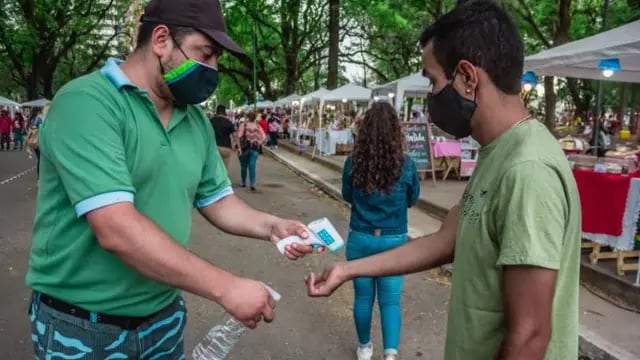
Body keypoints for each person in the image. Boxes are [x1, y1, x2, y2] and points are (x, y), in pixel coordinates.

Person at [26, 0, 320, 357]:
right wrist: (226, 287)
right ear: (161, 40)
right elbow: (116, 228)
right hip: (83, 325)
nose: (213, 69)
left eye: (216, 60)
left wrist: (273, 226)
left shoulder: (194, 121)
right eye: (205, 53)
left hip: (163, 318)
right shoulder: (88, 103)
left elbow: (218, 199)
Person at [306, 2, 581, 360]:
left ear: (467, 78)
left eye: (434, 81)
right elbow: (446, 240)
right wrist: (347, 269)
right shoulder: (498, 152)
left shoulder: (527, 170)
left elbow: (530, 336)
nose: (432, 95)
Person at [342, 102, 420, 360]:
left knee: (363, 298)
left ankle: (365, 348)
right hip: (394, 240)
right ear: (396, 132)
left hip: (361, 237)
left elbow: (347, 195)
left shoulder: (353, 163)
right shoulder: (406, 165)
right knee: (390, 301)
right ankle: (390, 354)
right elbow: (412, 199)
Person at [237, 112, 266, 191]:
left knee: (243, 166)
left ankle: (243, 182)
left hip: (244, 148)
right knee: (252, 166)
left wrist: (239, 147)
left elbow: (239, 136)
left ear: (247, 117)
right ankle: (252, 183)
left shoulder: (244, 125)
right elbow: (263, 136)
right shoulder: (257, 126)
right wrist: (259, 142)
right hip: (255, 148)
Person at [210, 104, 236, 170]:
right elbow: (235, 135)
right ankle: (223, 179)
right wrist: (237, 146)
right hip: (226, 148)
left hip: (214, 147)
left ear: (217, 112)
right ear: (224, 112)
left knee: (214, 168)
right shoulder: (229, 122)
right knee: (224, 169)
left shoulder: (211, 121)